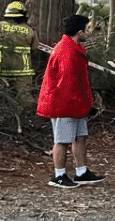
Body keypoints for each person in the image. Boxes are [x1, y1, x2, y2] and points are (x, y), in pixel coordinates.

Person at [37, 14, 104, 189]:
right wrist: (82, 105)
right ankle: (58, 175)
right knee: (62, 140)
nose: (89, 32)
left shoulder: (72, 49)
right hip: (64, 104)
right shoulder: (67, 52)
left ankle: (81, 171)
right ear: (80, 31)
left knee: (79, 137)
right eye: (87, 29)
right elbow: (67, 84)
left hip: (74, 103)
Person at [0, 1, 39, 111]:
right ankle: (28, 115)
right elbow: (34, 48)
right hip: (22, 69)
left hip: (0, 67)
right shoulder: (30, 31)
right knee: (24, 95)